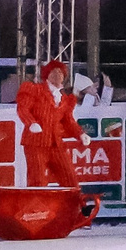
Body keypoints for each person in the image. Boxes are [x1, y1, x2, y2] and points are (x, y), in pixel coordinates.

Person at [15, 57, 85, 194]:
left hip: (56, 144)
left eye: (61, 72)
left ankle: (74, 208)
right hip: (36, 143)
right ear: (47, 74)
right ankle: (37, 210)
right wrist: (31, 123)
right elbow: (22, 108)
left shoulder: (64, 99)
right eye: (54, 71)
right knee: (38, 180)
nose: (58, 75)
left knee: (70, 179)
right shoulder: (34, 89)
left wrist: (80, 134)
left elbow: (68, 120)